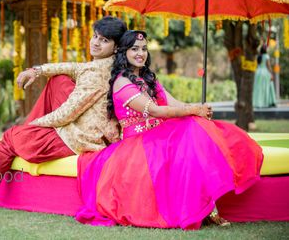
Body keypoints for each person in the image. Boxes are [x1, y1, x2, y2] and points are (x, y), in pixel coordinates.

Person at [76, 30, 263, 230]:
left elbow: (174, 103)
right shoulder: (122, 82)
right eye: (134, 49)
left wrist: (197, 109)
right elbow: (156, 110)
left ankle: (208, 206)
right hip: (137, 144)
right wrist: (192, 110)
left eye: (144, 49)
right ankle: (205, 210)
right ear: (123, 52)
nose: (140, 53)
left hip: (159, 135)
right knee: (190, 129)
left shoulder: (149, 78)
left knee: (194, 126)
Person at [0, 16, 127, 209]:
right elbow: (73, 67)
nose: (96, 42)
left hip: (79, 137)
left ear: (116, 47)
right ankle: (26, 134)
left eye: (104, 40)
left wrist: (35, 124)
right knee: (58, 80)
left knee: (10, 137)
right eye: (95, 36)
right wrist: (37, 70)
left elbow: (65, 115)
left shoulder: (94, 74)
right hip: (91, 128)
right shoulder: (107, 67)